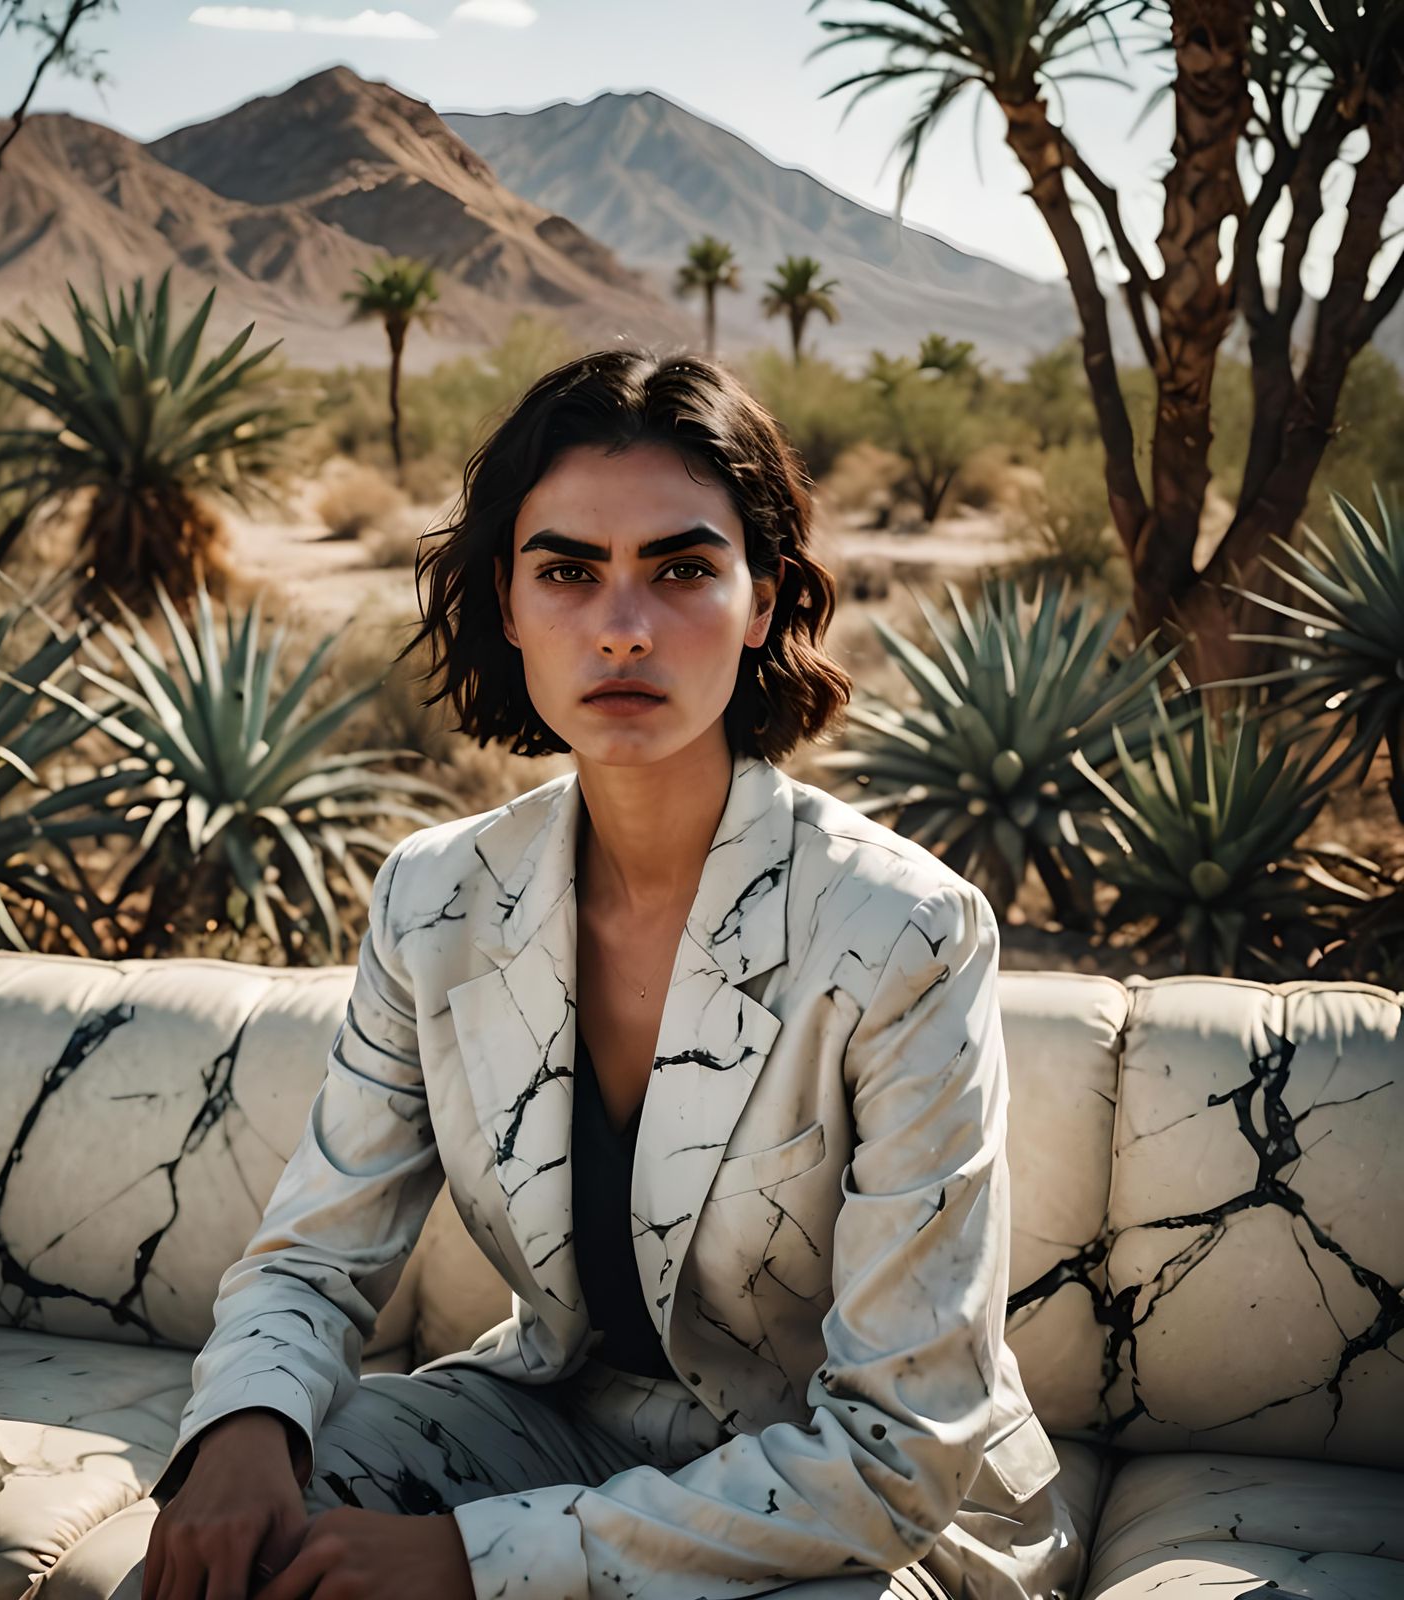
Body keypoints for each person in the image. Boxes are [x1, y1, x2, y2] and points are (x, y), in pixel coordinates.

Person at [138, 348, 1086, 1600]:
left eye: (684, 568)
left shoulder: (901, 931)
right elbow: (314, 1259)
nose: (624, 624)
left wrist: (473, 1562)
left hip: (863, 1508)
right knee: (239, 1546)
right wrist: (240, 1434)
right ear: (509, 599)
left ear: (764, 601)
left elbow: (898, 1454)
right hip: (556, 1418)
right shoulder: (437, 898)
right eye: (569, 571)